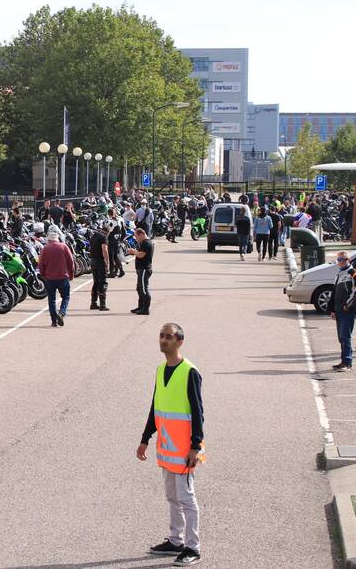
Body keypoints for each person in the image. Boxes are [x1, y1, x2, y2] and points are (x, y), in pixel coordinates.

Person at [137, 322, 204, 567]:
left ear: (179, 341)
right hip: (166, 448)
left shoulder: (190, 372)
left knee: (186, 498)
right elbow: (156, 406)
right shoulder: (160, 369)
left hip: (185, 449)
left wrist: (196, 446)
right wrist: (145, 438)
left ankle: (193, 547)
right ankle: (175, 540)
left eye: (169, 337)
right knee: (172, 496)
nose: (163, 340)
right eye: (161, 336)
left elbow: (198, 412)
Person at [329, 252, 356, 372]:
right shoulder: (339, 273)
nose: (339, 261)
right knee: (341, 337)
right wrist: (332, 309)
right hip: (338, 310)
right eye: (338, 259)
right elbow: (334, 293)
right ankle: (343, 360)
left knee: (345, 336)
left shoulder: (354, 273)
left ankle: (347, 362)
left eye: (342, 259)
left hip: (347, 311)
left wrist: (348, 306)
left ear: (347, 260)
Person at [39, 228, 76, 326]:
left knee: (51, 300)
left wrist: (44, 275)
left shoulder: (45, 248)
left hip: (50, 278)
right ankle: (62, 313)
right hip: (63, 277)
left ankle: (53, 321)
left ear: (49, 239)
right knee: (66, 297)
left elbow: (41, 264)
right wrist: (71, 274)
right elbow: (71, 262)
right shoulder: (64, 247)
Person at [128, 227, 154, 315]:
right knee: (139, 288)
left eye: (137, 236)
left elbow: (141, 255)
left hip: (144, 269)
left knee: (143, 289)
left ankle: (145, 309)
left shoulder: (146, 243)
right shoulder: (143, 242)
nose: (137, 239)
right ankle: (141, 306)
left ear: (142, 234)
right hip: (141, 269)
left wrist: (133, 251)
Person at [89, 221, 111, 312]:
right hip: (100, 262)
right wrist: (107, 262)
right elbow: (104, 249)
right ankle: (102, 305)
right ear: (107, 232)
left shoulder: (94, 236)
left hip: (93, 261)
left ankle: (93, 303)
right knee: (103, 283)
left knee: (96, 282)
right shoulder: (104, 237)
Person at [108, 208, 125, 278]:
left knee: (111, 257)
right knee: (115, 256)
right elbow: (124, 231)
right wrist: (121, 240)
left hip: (111, 240)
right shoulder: (120, 219)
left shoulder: (110, 221)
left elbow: (107, 231)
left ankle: (112, 272)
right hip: (117, 239)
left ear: (108, 213)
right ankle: (120, 270)